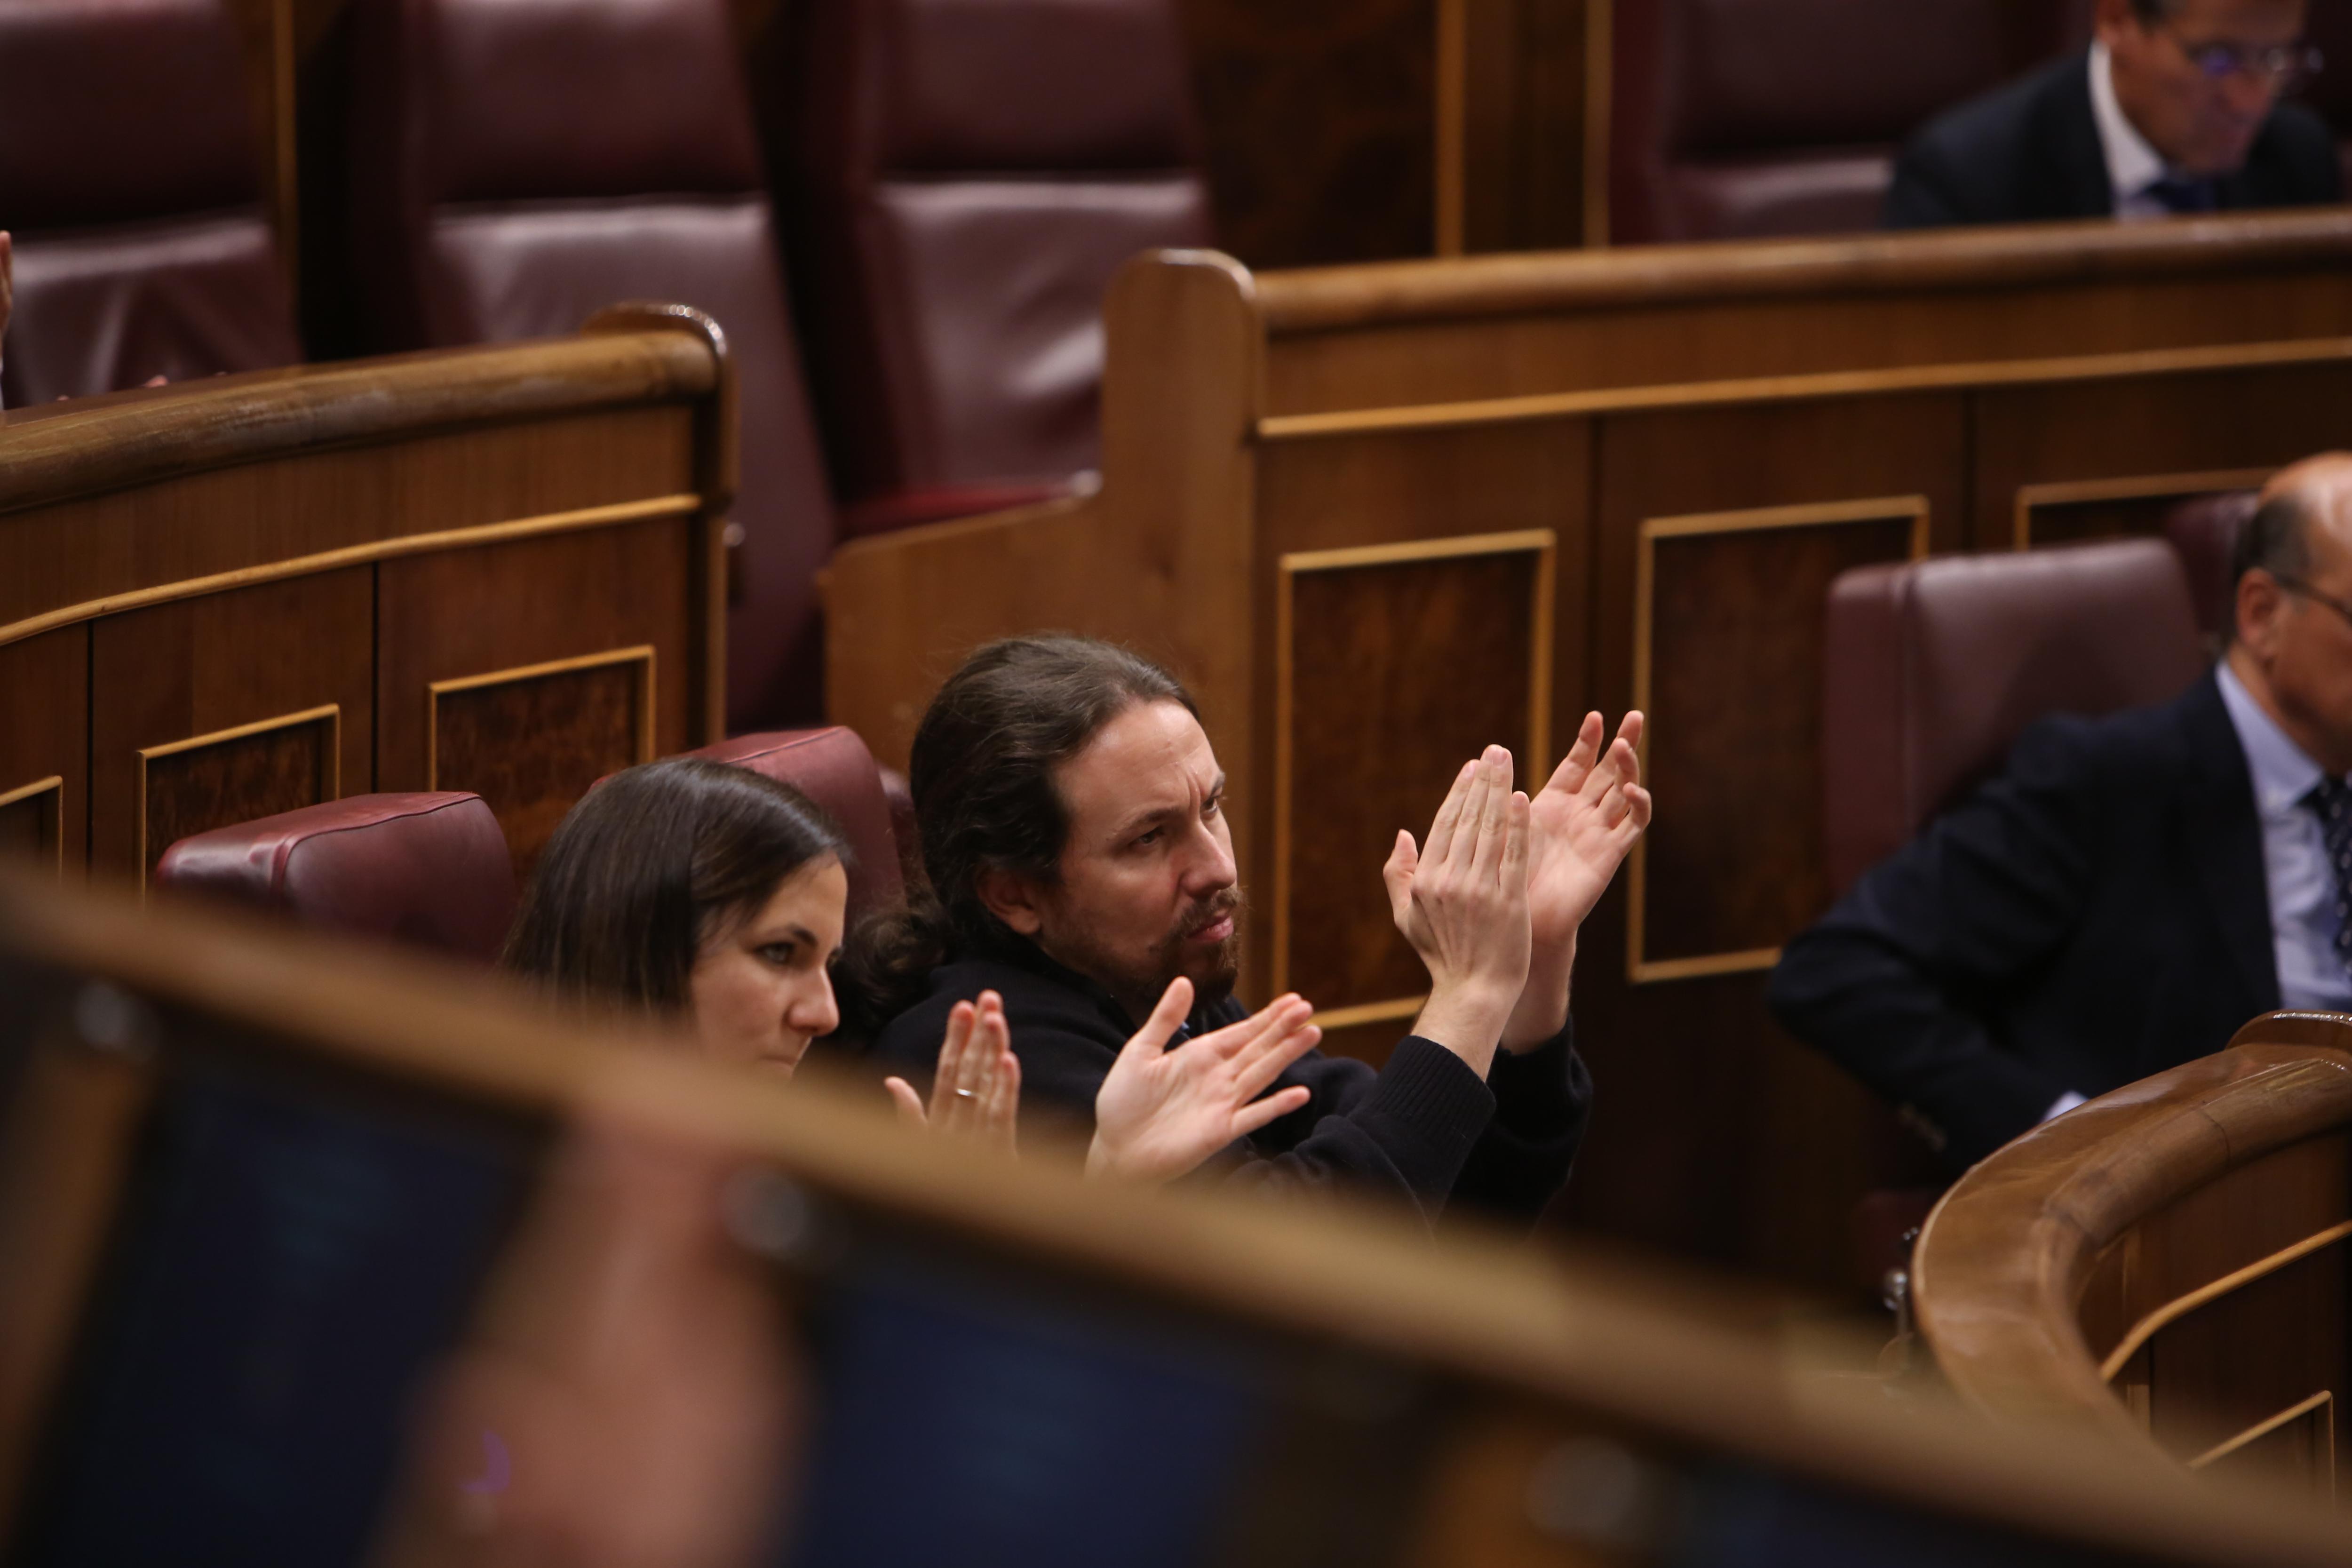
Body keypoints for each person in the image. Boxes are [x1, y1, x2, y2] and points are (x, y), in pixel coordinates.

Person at [854, 637, 1650, 1226]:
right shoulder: (987, 1051)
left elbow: (1468, 1191)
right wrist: (1469, 994)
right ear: (1015, 893)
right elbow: (1315, 1274)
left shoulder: (1154, 987)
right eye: (1147, 838)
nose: (1214, 866)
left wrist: (1531, 956)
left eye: (1211, 807)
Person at [1770, 454, 2352, 1173]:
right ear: (2262, 614)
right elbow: (1836, 970)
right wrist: (2068, 1134)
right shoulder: (2107, 781)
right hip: (2196, 1221)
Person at [504, 756, 1322, 1181]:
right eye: (779, 954)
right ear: (641, 943)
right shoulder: (486, 1190)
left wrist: (1101, 1187)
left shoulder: (797, 1168)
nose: (823, 1013)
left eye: (825, 963)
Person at [1884, 0, 2337, 229]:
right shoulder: (1966, 178)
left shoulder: (2300, 157)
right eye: (2218, 60)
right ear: (2117, 20)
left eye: (2276, 60)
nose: (2250, 103)